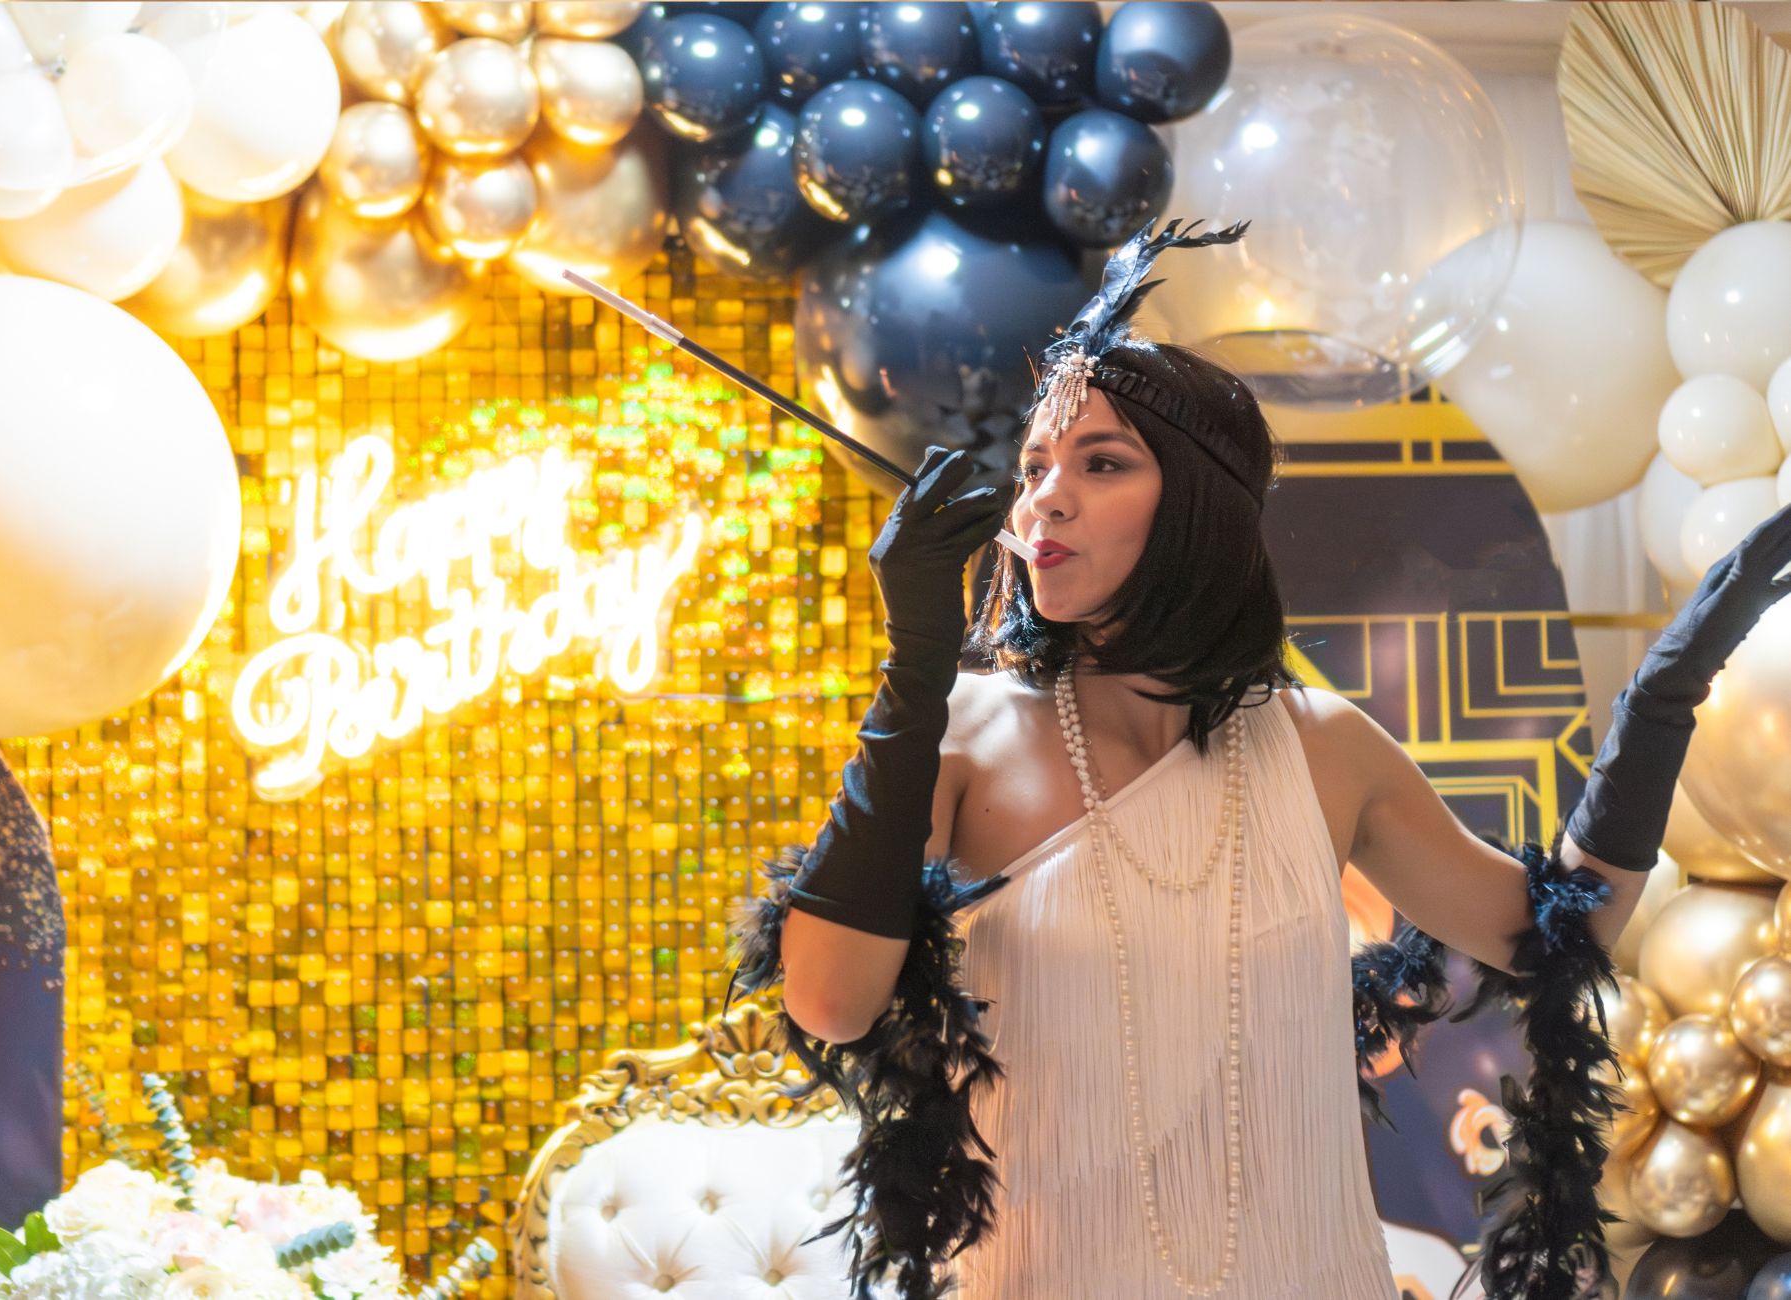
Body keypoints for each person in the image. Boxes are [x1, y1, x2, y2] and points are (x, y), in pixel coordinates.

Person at [728, 219, 1791, 1300]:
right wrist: (912, 667)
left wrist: (1660, 700)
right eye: (1035, 466)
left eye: (1099, 463)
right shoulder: (962, 733)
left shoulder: (1319, 747)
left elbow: (1560, 930)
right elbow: (827, 1001)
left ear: (1197, 505)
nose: (1044, 495)